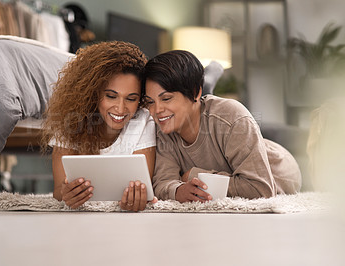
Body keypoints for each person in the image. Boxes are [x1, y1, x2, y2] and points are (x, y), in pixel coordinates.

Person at [143, 50, 302, 203]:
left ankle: (208, 82)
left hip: (278, 169)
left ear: (195, 92)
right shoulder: (164, 125)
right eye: (150, 102)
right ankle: (208, 83)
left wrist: (194, 175)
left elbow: (261, 189)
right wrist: (178, 191)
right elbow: (163, 183)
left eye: (166, 99)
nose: (156, 111)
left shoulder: (232, 115)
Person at [41, 41, 157, 211]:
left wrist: (138, 198)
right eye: (111, 96)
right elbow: (59, 191)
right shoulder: (69, 118)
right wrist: (67, 194)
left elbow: (143, 189)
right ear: (93, 92)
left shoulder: (144, 120)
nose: (120, 108)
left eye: (131, 99)